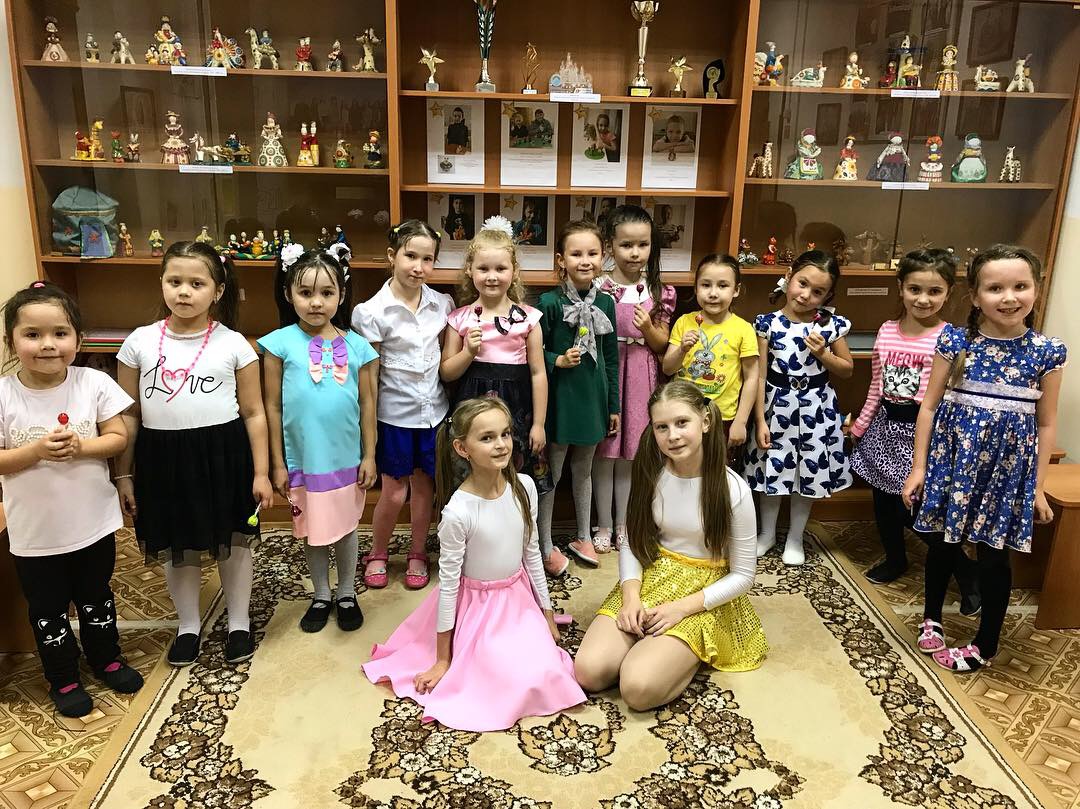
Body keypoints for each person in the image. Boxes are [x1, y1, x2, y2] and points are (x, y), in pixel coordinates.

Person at [363, 397, 586, 731]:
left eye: (505, 434)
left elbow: (531, 556)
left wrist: (547, 614)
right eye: (487, 438)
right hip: (477, 611)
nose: (501, 445)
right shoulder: (458, 511)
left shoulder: (524, 487)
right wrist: (443, 659)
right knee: (497, 681)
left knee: (545, 672)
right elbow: (449, 585)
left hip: (518, 602)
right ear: (462, 448)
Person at [903, 245, 1065, 672]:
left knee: (994, 556)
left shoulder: (1047, 352)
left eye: (1020, 286)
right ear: (975, 296)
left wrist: (1037, 487)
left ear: (1036, 289)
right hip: (952, 466)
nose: (1009, 297)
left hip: (1005, 477)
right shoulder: (956, 342)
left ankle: (986, 643)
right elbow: (929, 407)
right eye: (995, 288)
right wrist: (919, 467)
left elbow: (1047, 423)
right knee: (942, 542)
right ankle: (932, 617)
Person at [116, 242, 273, 667]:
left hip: (223, 454)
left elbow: (255, 413)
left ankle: (239, 622)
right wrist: (124, 475)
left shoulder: (234, 344)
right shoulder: (139, 342)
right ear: (162, 283)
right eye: (175, 281)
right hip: (162, 457)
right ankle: (188, 625)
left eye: (197, 283)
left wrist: (261, 473)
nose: (184, 291)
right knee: (176, 543)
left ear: (217, 291)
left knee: (233, 540)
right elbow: (128, 414)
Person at [574, 380, 768, 710]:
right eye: (662, 427)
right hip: (656, 575)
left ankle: (689, 652)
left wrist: (680, 609)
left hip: (703, 594)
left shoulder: (733, 490)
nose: (672, 435)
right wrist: (631, 596)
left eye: (682, 423)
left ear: (705, 421)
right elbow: (634, 540)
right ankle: (657, 651)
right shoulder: (651, 474)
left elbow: (743, 577)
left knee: (637, 688)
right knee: (589, 672)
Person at [0, 282, 143, 717]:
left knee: (96, 597)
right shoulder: (4, 394)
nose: (48, 344)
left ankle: (107, 658)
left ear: (78, 340)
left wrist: (82, 447)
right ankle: (62, 677)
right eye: (33, 334)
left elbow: (118, 437)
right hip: (35, 534)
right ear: (11, 341)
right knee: (47, 610)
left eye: (60, 333)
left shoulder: (92, 382)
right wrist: (35, 452)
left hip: (92, 524)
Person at [850, 249, 978, 616]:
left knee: (916, 511)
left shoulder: (950, 338)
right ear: (901, 288)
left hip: (923, 435)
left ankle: (966, 572)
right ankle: (895, 559)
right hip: (885, 429)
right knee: (883, 504)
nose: (923, 299)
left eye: (934, 291)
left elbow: (951, 395)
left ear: (948, 293)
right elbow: (877, 385)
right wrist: (861, 424)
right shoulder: (887, 331)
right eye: (915, 289)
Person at [260, 243, 377, 633]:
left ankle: (347, 592)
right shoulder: (278, 344)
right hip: (304, 458)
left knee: (345, 525)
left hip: (346, 457)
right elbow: (272, 406)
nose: (316, 302)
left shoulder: (359, 346)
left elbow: (368, 404)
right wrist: (277, 463)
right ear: (288, 294)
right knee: (313, 527)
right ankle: (322, 593)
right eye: (305, 292)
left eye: (326, 292)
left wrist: (370, 455)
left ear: (341, 295)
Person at [352, 221, 452, 590]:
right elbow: (370, 377)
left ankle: (417, 552)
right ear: (392, 256)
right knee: (394, 492)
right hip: (394, 417)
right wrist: (368, 434)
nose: (418, 267)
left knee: (425, 489)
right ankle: (378, 551)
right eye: (410, 256)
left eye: (428, 259)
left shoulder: (442, 305)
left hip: (434, 415)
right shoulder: (371, 312)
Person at [746, 250, 853, 565]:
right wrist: (760, 421)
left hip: (816, 410)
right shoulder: (767, 323)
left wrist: (823, 354)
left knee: (808, 472)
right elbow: (760, 375)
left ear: (827, 296)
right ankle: (767, 533)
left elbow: (847, 368)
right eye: (802, 283)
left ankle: (795, 537)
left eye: (817, 291)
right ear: (788, 276)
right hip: (776, 408)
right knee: (772, 470)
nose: (806, 295)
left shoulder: (831, 325)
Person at [441, 216, 552, 509]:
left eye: (500, 268)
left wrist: (539, 424)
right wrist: (468, 352)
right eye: (483, 268)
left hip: (517, 407)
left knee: (515, 475)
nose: (492, 276)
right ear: (470, 270)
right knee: (472, 475)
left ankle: (516, 529)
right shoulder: (459, 319)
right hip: (472, 406)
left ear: (513, 272)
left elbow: (538, 373)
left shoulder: (529, 319)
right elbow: (447, 373)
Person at [538, 221, 619, 570]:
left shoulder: (607, 303)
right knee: (552, 473)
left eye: (592, 253)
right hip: (560, 399)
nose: (585, 260)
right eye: (576, 253)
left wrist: (613, 406)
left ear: (603, 257)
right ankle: (543, 544)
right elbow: (531, 352)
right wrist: (556, 359)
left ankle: (583, 535)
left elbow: (611, 358)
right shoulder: (548, 302)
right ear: (561, 259)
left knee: (584, 471)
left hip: (592, 399)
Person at [594, 206, 675, 555]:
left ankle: (624, 524)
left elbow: (662, 344)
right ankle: (603, 523)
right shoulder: (598, 286)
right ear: (610, 246)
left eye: (643, 245)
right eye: (626, 245)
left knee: (630, 453)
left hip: (641, 371)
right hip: (606, 371)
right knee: (604, 452)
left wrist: (647, 328)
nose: (635, 253)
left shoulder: (658, 290)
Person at [663, 254, 759, 466]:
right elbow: (668, 368)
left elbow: (752, 378)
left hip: (721, 417)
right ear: (696, 288)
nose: (713, 293)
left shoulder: (743, 329)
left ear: (736, 290)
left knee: (715, 472)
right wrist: (682, 349)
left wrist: (740, 422)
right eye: (706, 285)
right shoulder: (684, 322)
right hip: (681, 414)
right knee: (680, 468)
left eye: (723, 286)